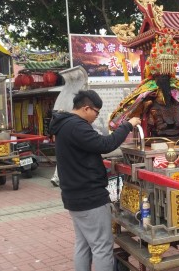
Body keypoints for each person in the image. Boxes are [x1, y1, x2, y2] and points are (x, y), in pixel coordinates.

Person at [49, 90, 140, 271]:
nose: (96, 117)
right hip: (89, 197)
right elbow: (105, 145)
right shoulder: (77, 126)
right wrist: (127, 125)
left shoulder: (63, 125)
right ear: (86, 108)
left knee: (83, 244)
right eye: (96, 113)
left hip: (73, 195)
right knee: (102, 246)